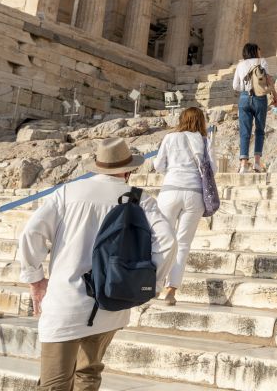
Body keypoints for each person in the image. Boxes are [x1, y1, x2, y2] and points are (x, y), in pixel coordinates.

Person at [18, 138, 175, 391]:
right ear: (127, 170)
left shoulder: (68, 192)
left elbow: (31, 234)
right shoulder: (139, 199)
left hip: (66, 301)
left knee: (54, 384)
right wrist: (149, 283)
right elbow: (167, 240)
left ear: (99, 166)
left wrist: (35, 278)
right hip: (112, 300)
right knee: (89, 373)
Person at [153, 107, 218, 306]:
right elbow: (212, 169)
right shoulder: (204, 140)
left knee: (161, 239)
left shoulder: (170, 138)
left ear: (182, 120)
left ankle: (153, 285)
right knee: (183, 244)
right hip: (194, 194)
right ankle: (171, 291)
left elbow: (158, 166)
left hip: (170, 191)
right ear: (201, 121)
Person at [232, 43, 277, 173]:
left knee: (244, 132)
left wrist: (245, 89)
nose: (260, 52)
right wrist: (275, 96)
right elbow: (268, 80)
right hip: (259, 98)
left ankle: (243, 164)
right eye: (259, 50)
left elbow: (235, 86)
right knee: (259, 130)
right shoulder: (262, 61)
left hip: (244, 99)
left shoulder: (240, 65)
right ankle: (257, 163)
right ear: (254, 51)